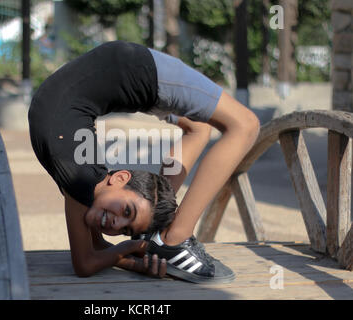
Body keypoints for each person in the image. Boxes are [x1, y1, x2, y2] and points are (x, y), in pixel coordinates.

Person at [28, 40, 260, 283]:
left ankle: (159, 233)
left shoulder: (85, 181)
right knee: (244, 125)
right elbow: (86, 262)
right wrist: (131, 251)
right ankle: (174, 237)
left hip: (133, 70)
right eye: (128, 214)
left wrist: (136, 258)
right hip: (136, 70)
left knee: (209, 127)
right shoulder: (86, 182)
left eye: (126, 231)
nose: (116, 225)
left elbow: (95, 253)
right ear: (118, 177)